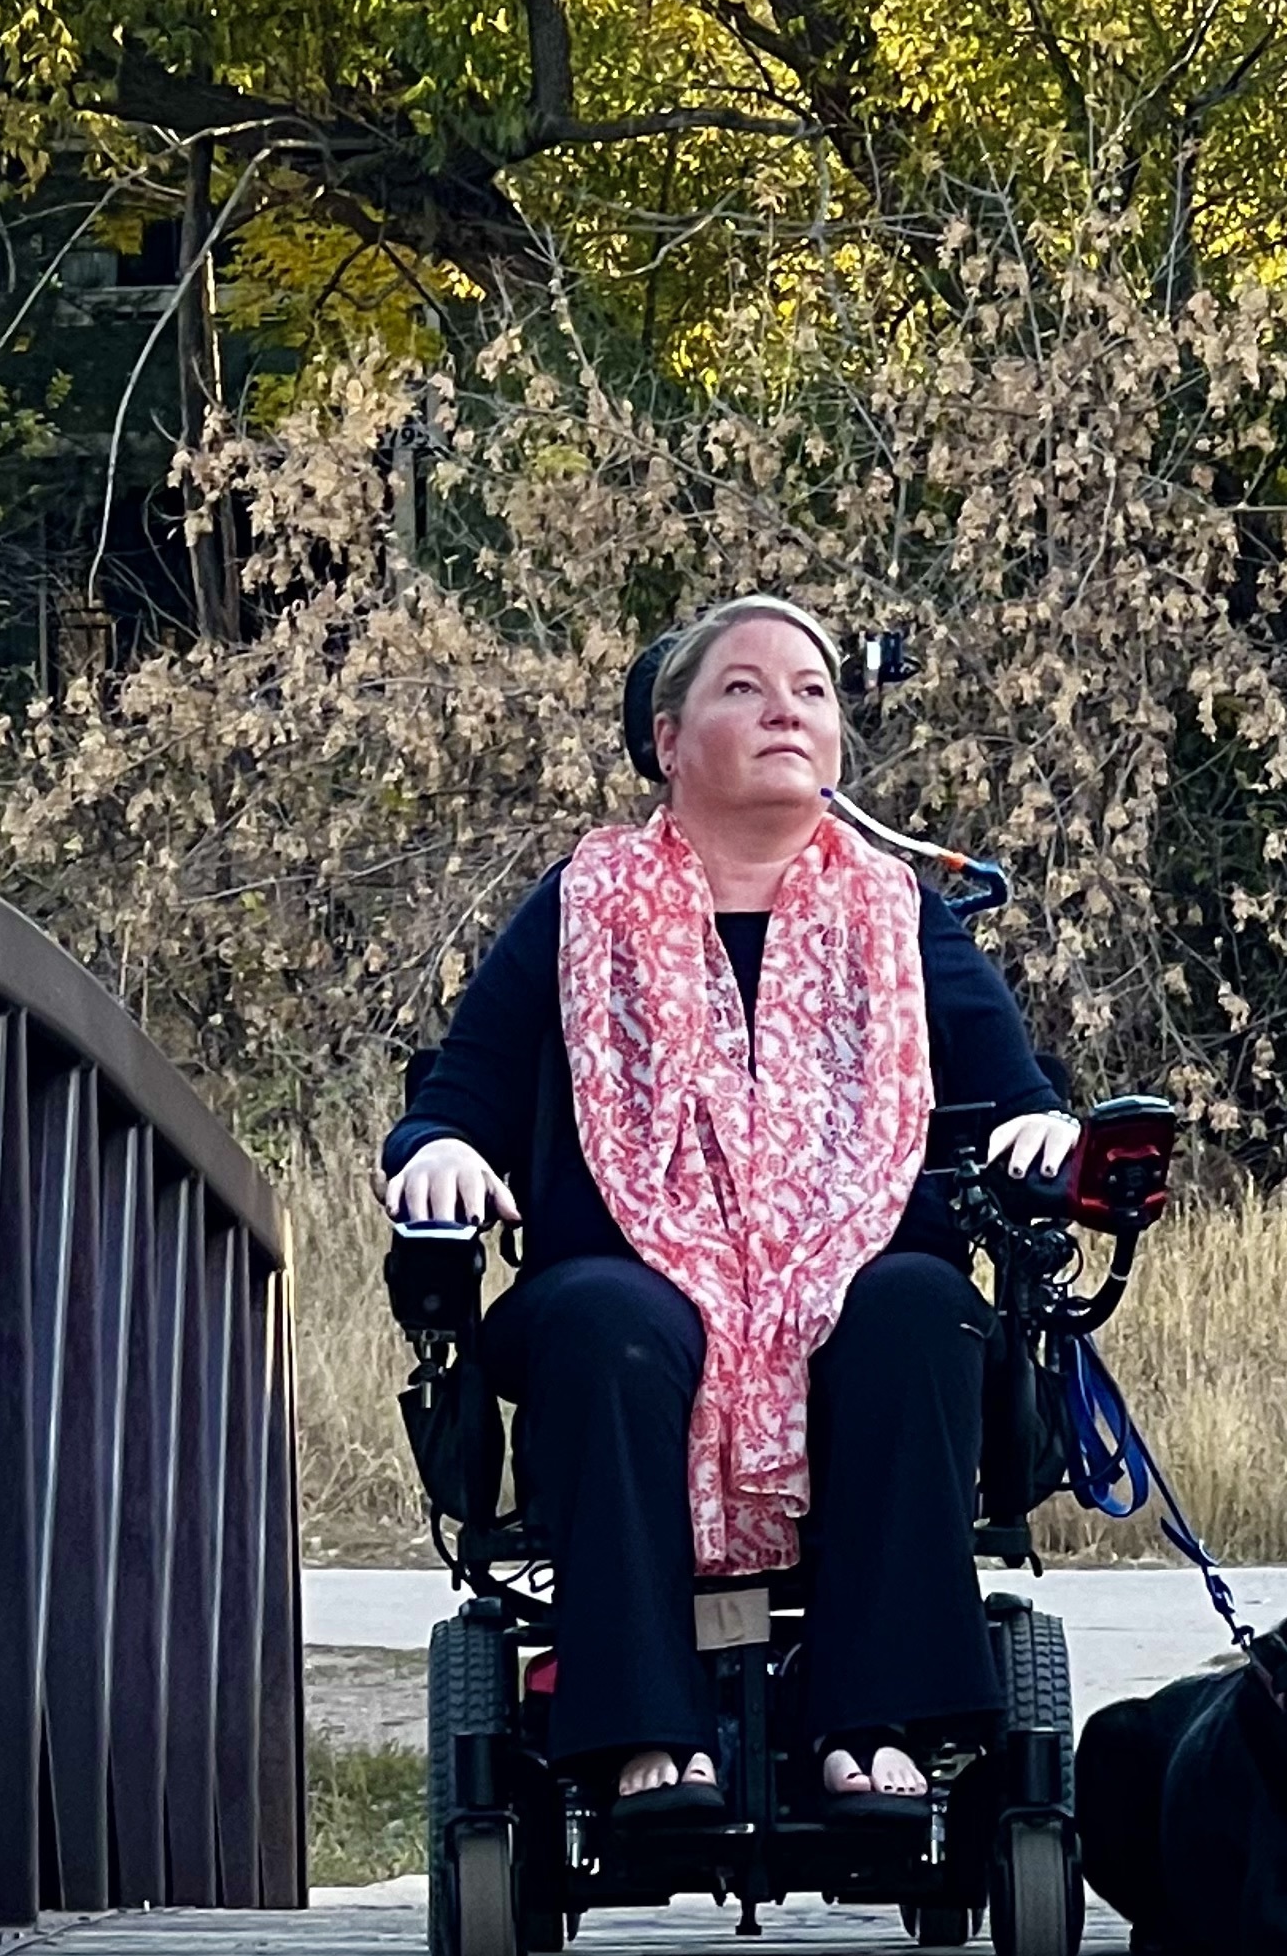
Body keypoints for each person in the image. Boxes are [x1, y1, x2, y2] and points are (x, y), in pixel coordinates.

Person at [376, 597, 1076, 1810]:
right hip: (627, 1293)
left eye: (809, 689)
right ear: (668, 738)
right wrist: (435, 1147)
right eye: (743, 689)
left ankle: (878, 1721)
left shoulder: (899, 914)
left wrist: (1046, 1128)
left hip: (850, 1286)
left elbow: (1019, 1096)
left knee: (917, 1306)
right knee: (607, 1322)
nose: (785, 709)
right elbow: (460, 1095)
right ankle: (644, 1731)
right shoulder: (584, 905)